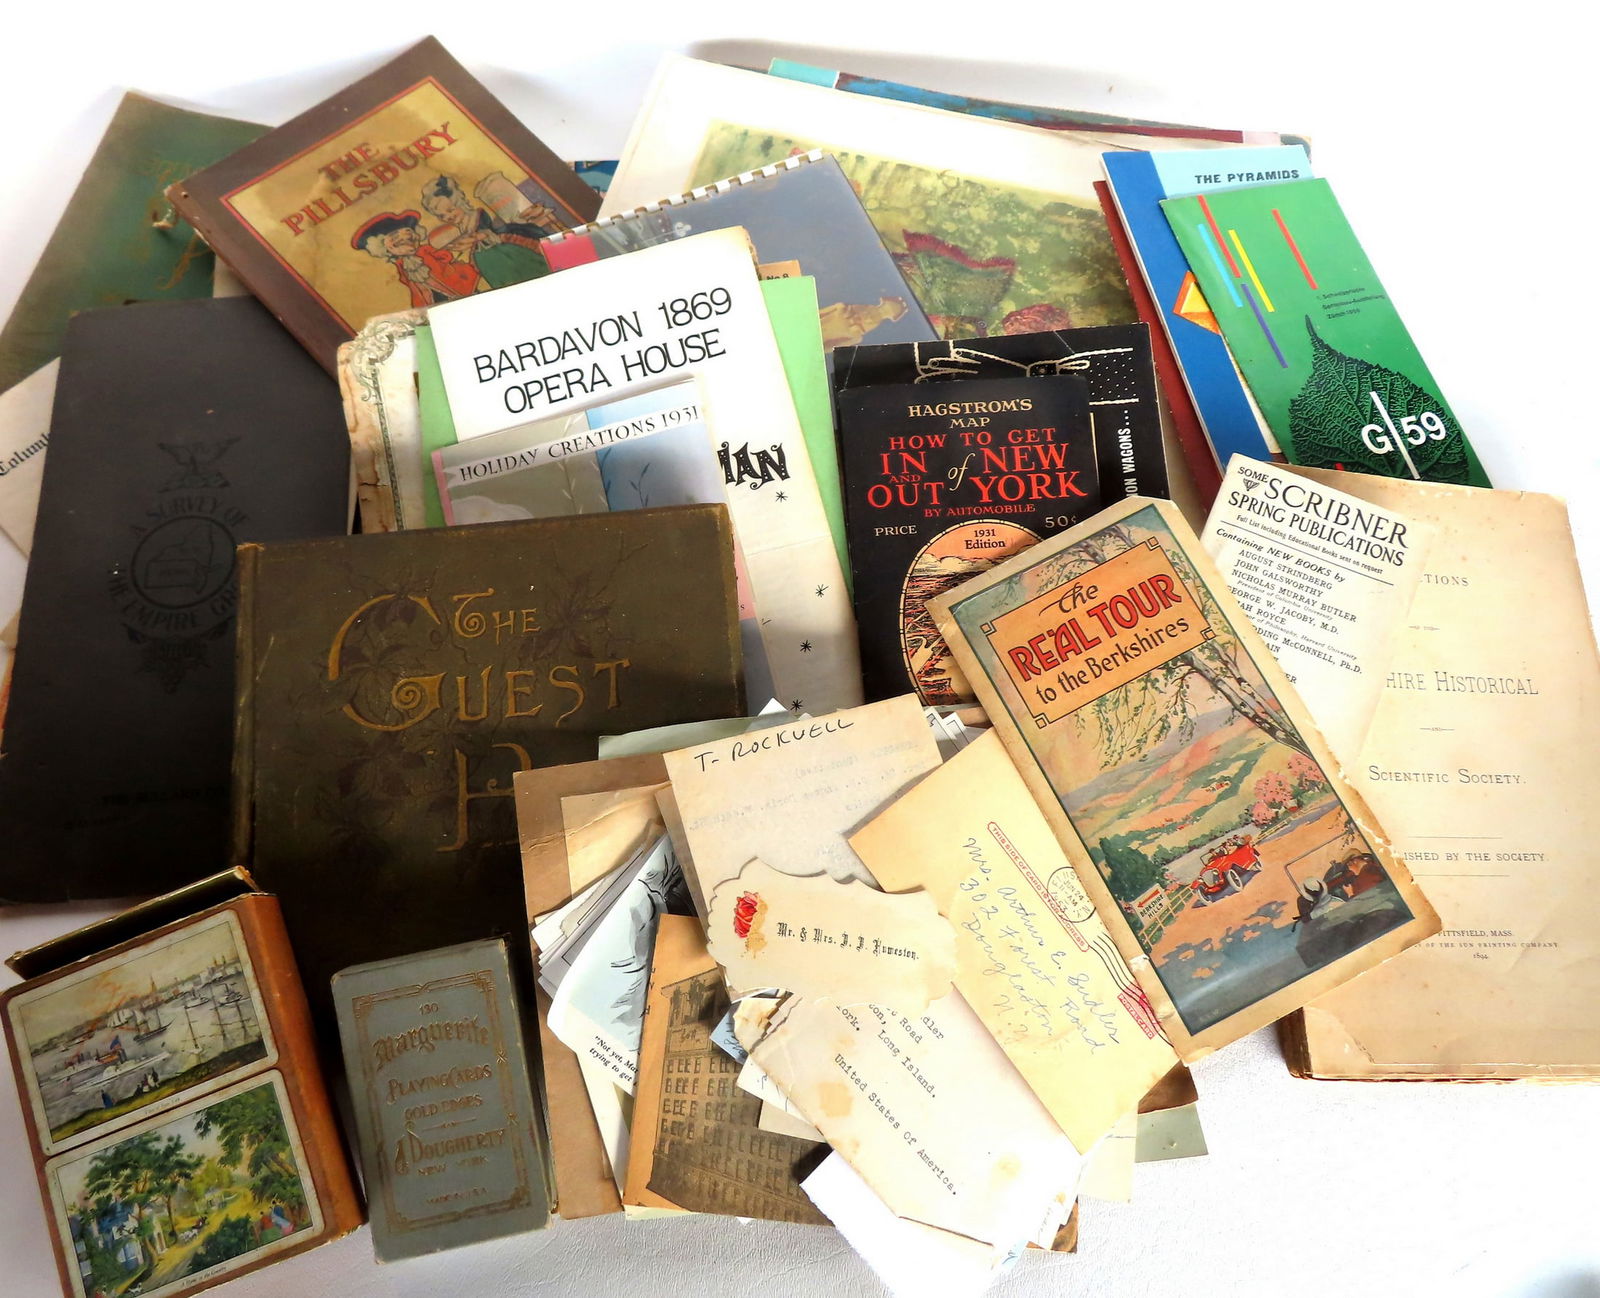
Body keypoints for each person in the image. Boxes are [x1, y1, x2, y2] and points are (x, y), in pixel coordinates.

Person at [420, 176, 548, 289]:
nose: (448, 217)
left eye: (450, 210)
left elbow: (496, 230)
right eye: (442, 216)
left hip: (505, 254)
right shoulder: (460, 229)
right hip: (488, 264)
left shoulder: (479, 215)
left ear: (460, 202)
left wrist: (482, 236)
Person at [351, 210, 480, 308]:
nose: (403, 237)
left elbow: (446, 256)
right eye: (394, 236)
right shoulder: (402, 265)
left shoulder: (426, 251)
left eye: (408, 231)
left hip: (461, 290)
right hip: (435, 304)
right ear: (382, 247)